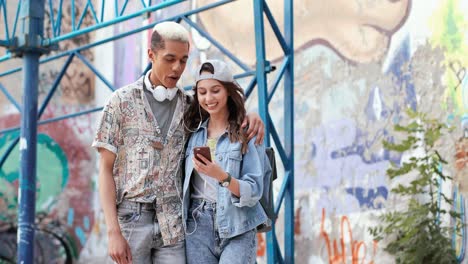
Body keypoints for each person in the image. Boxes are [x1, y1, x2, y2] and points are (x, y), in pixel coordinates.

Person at [92, 22, 265, 264]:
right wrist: (112, 231)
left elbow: (221, 109)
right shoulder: (120, 101)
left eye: (183, 60)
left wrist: (251, 115)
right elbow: (105, 170)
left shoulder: (190, 107)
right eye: (169, 58)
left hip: (173, 224)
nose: (177, 68)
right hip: (132, 218)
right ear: (151, 55)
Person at [182, 59, 269, 264]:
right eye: (202, 92)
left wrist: (221, 176)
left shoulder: (246, 131)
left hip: (237, 223)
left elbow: (254, 190)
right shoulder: (193, 133)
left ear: (228, 91)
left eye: (215, 90)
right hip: (197, 224)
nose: (209, 98)